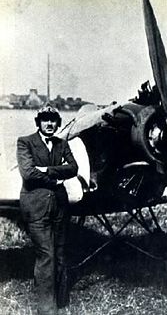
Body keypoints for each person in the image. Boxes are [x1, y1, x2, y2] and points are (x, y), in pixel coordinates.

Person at [16, 104, 78, 315]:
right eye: (45, 119)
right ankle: (46, 309)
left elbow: (74, 168)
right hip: (36, 206)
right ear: (38, 122)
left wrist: (47, 169)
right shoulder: (25, 142)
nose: (49, 123)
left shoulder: (62, 143)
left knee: (60, 253)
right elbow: (28, 174)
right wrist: (57, 179)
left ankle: (60, 301)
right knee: (46, 255)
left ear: (58, 123)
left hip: (60, 206)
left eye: (53, 120)